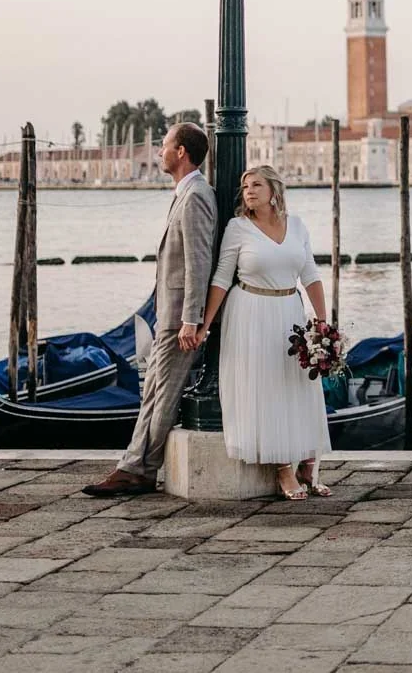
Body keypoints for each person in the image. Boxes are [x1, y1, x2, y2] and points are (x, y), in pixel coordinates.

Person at [81, 123, 215, 496]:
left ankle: (139, 470)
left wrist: (192, 319)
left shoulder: (197, 196)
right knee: (152, 391)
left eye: (165, 145)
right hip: (169, 314)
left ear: (181, 152)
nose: (159, 152)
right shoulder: (185, 193)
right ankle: (132, 466)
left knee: (164, 393)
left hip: (180, 319)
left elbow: (198, 262)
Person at [196, 164, 333, 500]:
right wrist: (203, 326)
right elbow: (221, 278)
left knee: (299, 386)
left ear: (274, 191)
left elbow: (311, 274)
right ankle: (282, 469)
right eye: (245, 187)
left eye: (256, 184)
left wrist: (323, 323)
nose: (249, 191)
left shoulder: (297, 226)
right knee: (267, 387)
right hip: (250, 313)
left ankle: (307, 462)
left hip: (290, 311)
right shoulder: (238, 227)